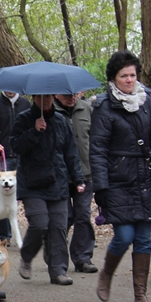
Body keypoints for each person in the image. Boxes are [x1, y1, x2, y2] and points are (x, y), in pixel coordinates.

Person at [90, 50, 151, 302]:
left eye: (132, 75)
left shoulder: (146, 101)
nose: (128, 79)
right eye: (123, 75)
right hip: (117, 178)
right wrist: (100, 187)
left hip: (145, 177)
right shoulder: (104, 106)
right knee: (124, 235)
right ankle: (107, 273)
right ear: (114, 78)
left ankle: (141, 295)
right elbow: (98, 149)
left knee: (144, 239)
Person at [12, 95, 85, 286]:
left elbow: (71, 152)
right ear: (34, 97)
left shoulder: (60, 120)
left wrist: (78, 178)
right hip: (32, 182)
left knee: (59, 227)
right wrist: (34, 131)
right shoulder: (24, 118)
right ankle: (27, 256)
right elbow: (15, 146)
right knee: (39, 224)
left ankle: (58, 271)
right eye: (42, 98)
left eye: (49, 98)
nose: (46, 101)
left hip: (58, 181)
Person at [54, 93, 97, 273]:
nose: (71, 98)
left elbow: (96, 140)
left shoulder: (87, 109)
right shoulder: (49, 112)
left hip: (86, 173)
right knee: (64, 217)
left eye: (74, 94)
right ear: (56, 94)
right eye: (66, 95)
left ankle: (83, 258)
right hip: (59, 175)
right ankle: (55, 255)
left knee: (83, 215)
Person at [0, 90, 32, 244]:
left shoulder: (26, 104)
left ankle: (34, 232)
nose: (10, 89)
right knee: (1, 195)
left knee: (29, 194)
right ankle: (5, 236)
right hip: (1, 157)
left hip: (23, 156)